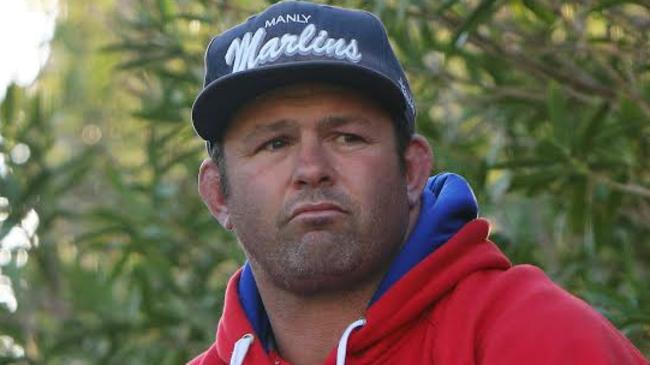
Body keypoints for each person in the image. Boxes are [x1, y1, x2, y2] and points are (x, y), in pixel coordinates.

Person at [188, 1, 649, 364]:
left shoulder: (538, 339)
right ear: (218, 194)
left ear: (411, 170)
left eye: (347, 137)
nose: (312, 167)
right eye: (274, 144)